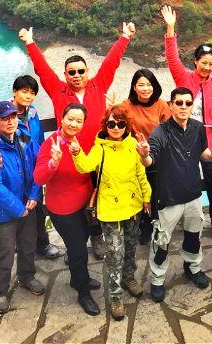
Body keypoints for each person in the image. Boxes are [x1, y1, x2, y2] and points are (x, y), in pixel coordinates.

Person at [19, 22, 136, 259]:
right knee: (75, 200)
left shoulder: (98, 85)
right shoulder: (58, 90)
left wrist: (124, 38)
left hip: (96, 157)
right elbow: (42, 70)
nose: (76, 75)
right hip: (69, 159)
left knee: (98, 196)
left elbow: (111, 63)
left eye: (80, 71)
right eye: (71, 72)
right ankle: (76, 243)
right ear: (65, 75)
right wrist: (30, 43)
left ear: (87, 72)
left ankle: (97, 237)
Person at [69, 105, 151, 320]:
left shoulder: (132, 144)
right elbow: (85, 166)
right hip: (110, 210)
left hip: (133, 206)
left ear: (127, 125)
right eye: (111, 123)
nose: (116, 127)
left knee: (131, 248)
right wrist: (77, 153)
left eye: (120, 123)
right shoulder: (100, 148)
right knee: (115, 255)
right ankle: (115, 296)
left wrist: (146, 197)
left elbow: (141, 174)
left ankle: (128, 277)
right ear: (105, 125)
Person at [138, 87, 212, 302]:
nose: (183, 107)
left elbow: (203, 153)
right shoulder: (160, 132)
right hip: (169, 198)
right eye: (179, 103)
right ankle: (157, 280)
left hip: (193, 195)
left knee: (193, 236)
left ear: (192, 106)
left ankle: (193, 268)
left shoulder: (198, 128)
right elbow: (150, 160)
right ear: (170, 105)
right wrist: (144, 155)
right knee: (161, 242)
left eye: (187, 103)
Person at [161, 5, 212, 237]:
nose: (207, 67)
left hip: (208, 141)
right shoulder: (183, 78)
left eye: (211, 64)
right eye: (204, 62)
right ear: (195, 61)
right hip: (183, 140)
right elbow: (172, 58)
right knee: (182, 180)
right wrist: (171, 28)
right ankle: (180, 221)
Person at [33, 103, 101, 315]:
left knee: (81, 242)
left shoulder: (80, 140)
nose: (73, 124)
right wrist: (53, 162)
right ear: (61, 119)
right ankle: (83, 291)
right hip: (63, 209)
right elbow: (39, 178)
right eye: (70, 119)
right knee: (78, 250)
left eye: (79, 121)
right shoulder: (51, 144)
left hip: (84, 204)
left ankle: (77, 278)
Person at [0, 101, 43, 313]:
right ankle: (0, 291)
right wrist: (18, 208)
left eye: (13, 117)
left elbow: (38, 166)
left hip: (28, 204)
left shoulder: (24, 138)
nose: (10, 122)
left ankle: (26, 276)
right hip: (4, 212)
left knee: (28, 245)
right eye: (4, 118)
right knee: (5, 252)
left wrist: (34, 194)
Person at [11, 75, 61, 260]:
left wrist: (44, 161)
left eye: (32, 93)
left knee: (38, 208)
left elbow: (39, 139)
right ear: (15, 92)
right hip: (16, 170)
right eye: (25, 91)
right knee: (18, 208)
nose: (29, 96)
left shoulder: (32, 112)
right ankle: (21, 246)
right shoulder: (6, 114)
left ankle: (42, 243)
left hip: (35, 167)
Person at [122, 68, 170, 244]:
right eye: (141, 85)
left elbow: (169, 130)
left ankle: (157, 225)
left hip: (158, 156)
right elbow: (115, 124)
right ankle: (143, 228)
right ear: (134, 87)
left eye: (149, 84)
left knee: (156, 192)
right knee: (141, 192)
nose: (145, 88)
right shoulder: (126, 105)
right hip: (134, 157)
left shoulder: (161, 105)